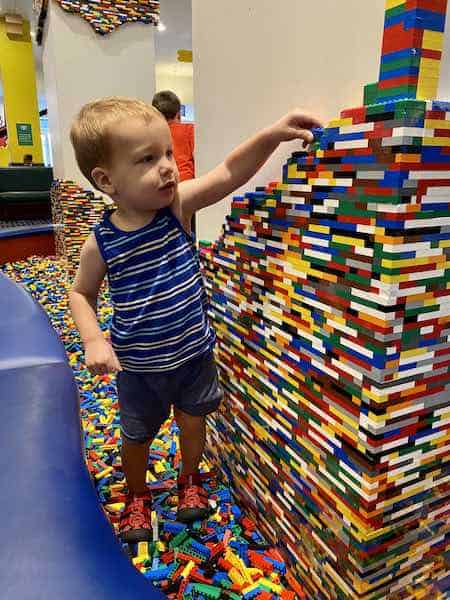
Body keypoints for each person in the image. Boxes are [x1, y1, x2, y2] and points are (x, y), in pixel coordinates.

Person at [68, 96, 322, 543]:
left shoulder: (176, 208)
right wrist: (93, 340)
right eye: (148, 159)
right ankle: (137, 495)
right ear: (107, 180)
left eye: (167, 153)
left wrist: (271, 134)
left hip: (192, 355)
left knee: (192, 420)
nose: (168, 167)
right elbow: (81, 293)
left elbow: (227, 172)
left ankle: (188, 481)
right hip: (139, 367)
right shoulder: (101, 242)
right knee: (136, 435)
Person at [152, 90, 195, 181]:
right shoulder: (189, 129)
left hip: (165, 181)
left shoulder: (153, 133)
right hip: (187, 181)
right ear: (178, 113)